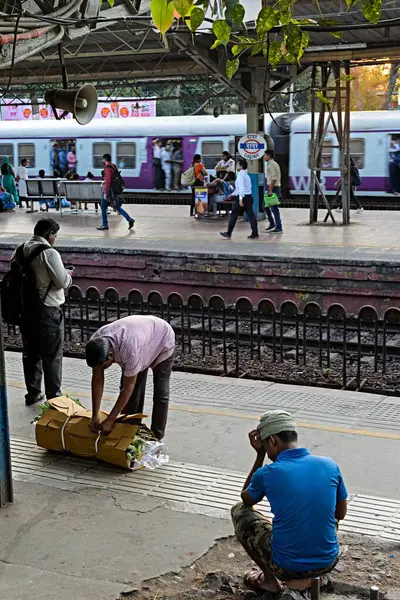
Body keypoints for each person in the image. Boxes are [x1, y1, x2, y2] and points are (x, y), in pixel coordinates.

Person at [232, 409, 348, 594]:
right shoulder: (330, 465)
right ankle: (316, 570)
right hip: (328, 562)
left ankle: (270, 580)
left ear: (271, 441)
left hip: (286, 567)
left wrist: (259, 455)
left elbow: (246, 500)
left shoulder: (268, 472)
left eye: (266, 446)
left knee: (239, 511)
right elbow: (340, 514)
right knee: (323, 512)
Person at [85, 315, 175, 440]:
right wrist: (95, 415)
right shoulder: (97, 341)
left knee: (160, 393)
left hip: (162, 337)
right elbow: (97, 379)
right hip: (142, 339)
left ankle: (157, 436)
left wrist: (111, 420)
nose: (100, 370)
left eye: (103, 366)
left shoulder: (129, 350)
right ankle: (131, 428)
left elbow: (128, 388)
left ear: (110, 355)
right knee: (134, 392)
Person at [14, 218, 73, 405]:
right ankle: (54, 397)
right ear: (49, 235)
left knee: (30, 353)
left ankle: (33, 393)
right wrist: (68, 274)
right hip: (48, 310)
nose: (55, 239)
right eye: (55, 235)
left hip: (26, 310)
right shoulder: (49, 253)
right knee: (52, 355)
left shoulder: (20, 249)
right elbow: (62, 282)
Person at [220, 158, 259, 240]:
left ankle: (228, 233)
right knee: (251, 215)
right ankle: (255, 233)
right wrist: (232, 194)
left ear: (241, 166)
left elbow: (241, 189)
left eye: (237, 164)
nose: (236, 166)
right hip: (248, 197)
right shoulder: (246, 175)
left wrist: (240, 199)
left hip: (242, 198)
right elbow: (240, 189)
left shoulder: (241, 175)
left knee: (233, 215)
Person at [97, 153, 135, 231]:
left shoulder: (107, 168)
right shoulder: (113, 166)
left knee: (103, 206)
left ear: (104, 160)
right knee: (117, 207)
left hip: (110, 191)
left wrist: (105, 193)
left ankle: (105, 225)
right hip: (115, 191)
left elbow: (108, 181)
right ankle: (129, 219)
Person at [264, 150, 284, 234]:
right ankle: (272, 223)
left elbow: (273, 178)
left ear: (268, 156)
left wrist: (270, 189)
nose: (264, 157)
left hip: (273, 188)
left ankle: (279, 227)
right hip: (272, 187)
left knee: (274, 209)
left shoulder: (272, 164)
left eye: (265, 155)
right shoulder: (270, 164)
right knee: (265, 206)